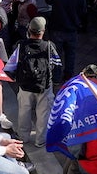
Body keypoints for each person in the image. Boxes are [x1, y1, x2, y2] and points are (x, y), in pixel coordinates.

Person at [7, 17, 59, 148]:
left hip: (25, 86)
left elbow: (10, 66)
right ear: (43, 31)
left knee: (24, 111)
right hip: (44, 86)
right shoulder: (49, 46)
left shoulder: (21, 45)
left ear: (29, 30)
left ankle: (23, 137)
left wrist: (16, 78)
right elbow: (57, 65)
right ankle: (40, 140)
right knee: (43, 114)